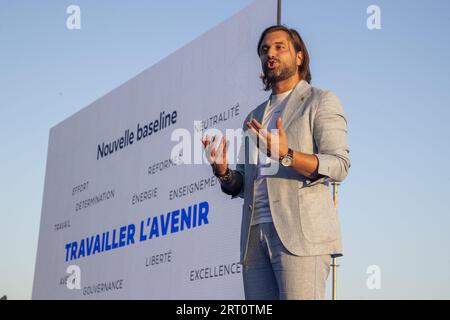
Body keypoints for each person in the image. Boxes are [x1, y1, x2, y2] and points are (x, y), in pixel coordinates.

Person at [201, 25, 350, 300]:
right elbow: (242, 183)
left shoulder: (320, 101)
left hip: (300, 236)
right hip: (254, 239)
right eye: (265, 49)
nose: (271, 53)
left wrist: (287, 154)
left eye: (280, 47)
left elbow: (339, 164)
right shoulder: (253, 117)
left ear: (299, 56)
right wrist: (222, 172)